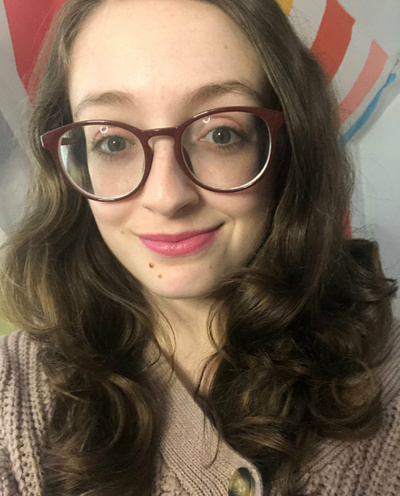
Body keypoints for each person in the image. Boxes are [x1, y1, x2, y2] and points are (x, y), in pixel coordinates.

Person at [0, 0, 398, 494]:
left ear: (288, 148)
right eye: (112, 142)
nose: (167, 197)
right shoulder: (12, 395)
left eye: (221, 134)